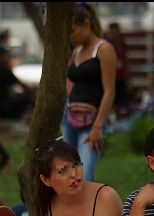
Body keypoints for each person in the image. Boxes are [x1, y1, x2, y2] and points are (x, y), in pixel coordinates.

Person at [62, 3, 116, 182]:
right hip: (70, 117)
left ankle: (91, 209)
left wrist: (98, 126)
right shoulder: (76, 51)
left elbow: (109, 91)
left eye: (73, 30)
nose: (70, 37)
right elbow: (70, 82)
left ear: (86, 24)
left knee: (84, 176)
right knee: (68, 174)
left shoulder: (104, 49)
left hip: (92, 120)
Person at [107, 70, 154, 134]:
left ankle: (118, 126)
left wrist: (150, 94)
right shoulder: (147, 93)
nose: (153, 81)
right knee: (134, 114)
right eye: (151, 79)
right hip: (147, 116)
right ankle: (116, 126)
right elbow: (143, 108)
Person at [0, 46, 33, 120]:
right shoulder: (4, 69)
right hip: (2, 106)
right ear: (1, 56)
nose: (9, 57)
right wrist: (32, 91)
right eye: (7, 55)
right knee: (27, 96)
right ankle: (14, 117)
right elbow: (21, 84)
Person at [103, 22, 130, 113]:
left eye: (116, 31)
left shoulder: (122, 42)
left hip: (121, 76)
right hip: (110, 77)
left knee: (123, 102)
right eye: (112, 32)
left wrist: (128, 75)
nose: (114, 34)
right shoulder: (106, 44)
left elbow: (125, 59)